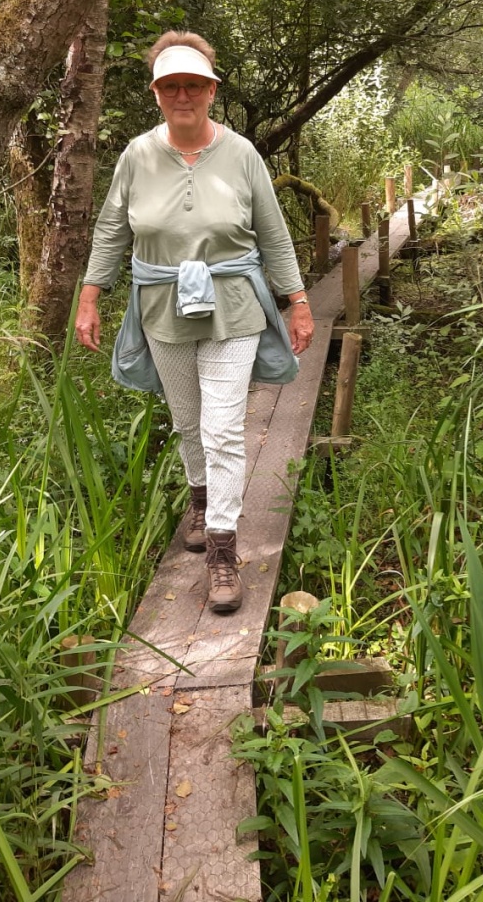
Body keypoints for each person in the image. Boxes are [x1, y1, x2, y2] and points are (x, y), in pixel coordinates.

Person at [74, 31, 314, 614]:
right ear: (157, 93)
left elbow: (273, 231)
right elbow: (112, 230)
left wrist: (298, 298)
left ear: (211, 90)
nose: (184, 95)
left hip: (233, 305)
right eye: (171, 85)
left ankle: (224, 552)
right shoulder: (136, 156)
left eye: (194, 85)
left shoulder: (242, 155)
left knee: (224, 428)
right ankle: (201, 501)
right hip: (161, 306)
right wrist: (89, 295)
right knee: (187, 420)